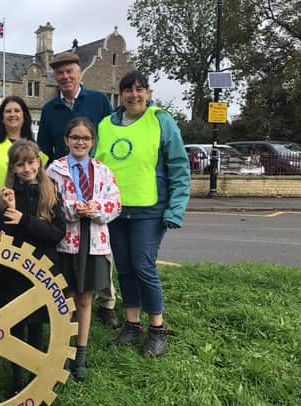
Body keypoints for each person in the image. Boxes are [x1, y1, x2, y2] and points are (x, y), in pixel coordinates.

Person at [95, 70, 190, 357]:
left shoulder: (161, 120)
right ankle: (132, 325)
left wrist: (175, 208)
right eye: (128, 90)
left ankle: (157, 330)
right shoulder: (105, 124)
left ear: (148, 93)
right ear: (120, 94)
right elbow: (97, 167)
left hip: (150, 209)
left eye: (140, 90)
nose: (134, 95)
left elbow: (178, 165)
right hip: (116, 212)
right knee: (123, 268)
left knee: (143, 267)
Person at [36, 51, 119, 328]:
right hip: (65, 182)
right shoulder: (49, 109)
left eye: (69, 71)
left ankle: (106, 304)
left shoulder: (99, 100)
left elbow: (109, 136)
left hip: (96, 181)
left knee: (100, 254)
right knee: (68, 264)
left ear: (79, 72)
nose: (65, 77)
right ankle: (67, 315)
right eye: (60, 73)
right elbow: (44, 150)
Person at [46, 117, 121, 380]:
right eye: (75, 137)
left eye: (86, 138)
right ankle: (62, 351)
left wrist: (96, 208)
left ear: (92, 142)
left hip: (94, 241)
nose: (80, 142)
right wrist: (71, 209)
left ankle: (81, 353)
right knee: (64, 297)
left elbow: (116, 203)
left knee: (85, 298)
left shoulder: (102, 170)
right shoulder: (54, 170)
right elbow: (48, 204)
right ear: (67, 140)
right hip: (67, 241)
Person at [0, 139, 66, 392]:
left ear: (39, 162)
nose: (26, 168)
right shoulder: (8, 194)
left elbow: (57, 233)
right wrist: (6, 209)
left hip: (42, 270)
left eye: (30, 162)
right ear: (13, 168)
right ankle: (17, 379)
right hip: (13, 273)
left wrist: (24, 219)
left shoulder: (51, 193)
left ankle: (37, 375)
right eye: (20, 164)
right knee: (15, 326)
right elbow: (1, 233)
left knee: (36, 324)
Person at [0, 96, 36, 210]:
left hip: (26, 214)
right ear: (2, 118)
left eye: (17, 111)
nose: (12, 114)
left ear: (24, 116)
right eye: (8, 111)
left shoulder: (35, 146)